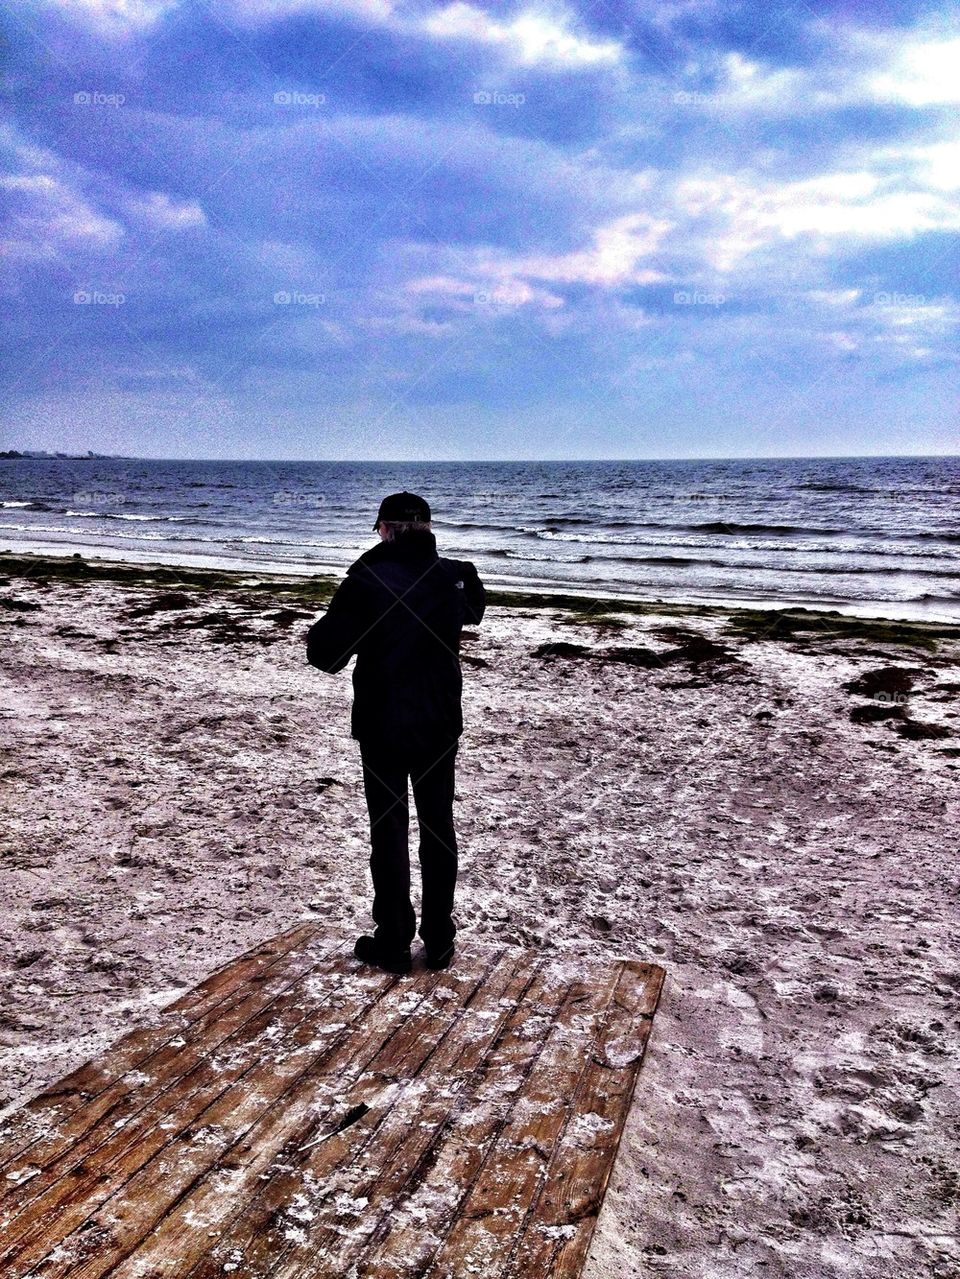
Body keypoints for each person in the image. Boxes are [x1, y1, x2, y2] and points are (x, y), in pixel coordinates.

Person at [306, 491, 486, 975]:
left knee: (389, 831)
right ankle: (440, 939)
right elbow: (473, 611)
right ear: (427, 528)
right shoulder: (455, 576)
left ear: (384, 528)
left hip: (384, 724)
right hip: (438, 721)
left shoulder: (367, 579)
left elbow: (324, 654)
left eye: (378, 529)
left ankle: (393, 940)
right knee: (437, 826)